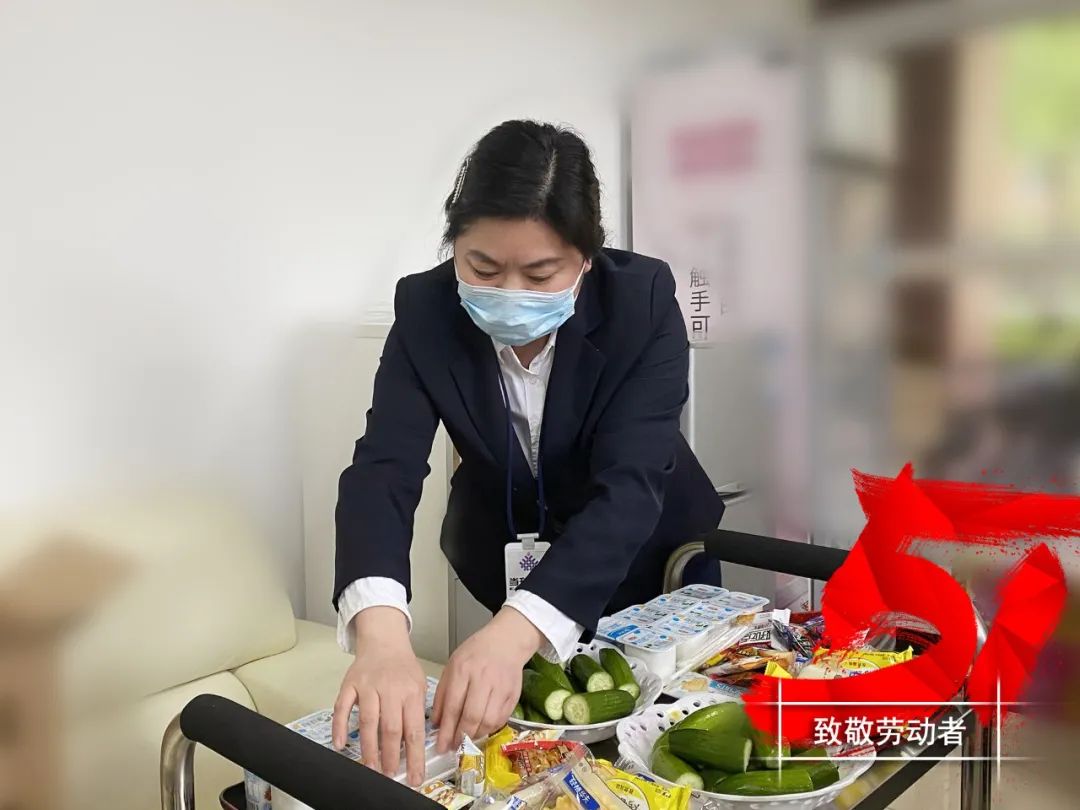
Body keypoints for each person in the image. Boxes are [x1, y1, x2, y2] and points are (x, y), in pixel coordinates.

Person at [331, 120, 724, 785]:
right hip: (512, 558)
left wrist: (516, 633)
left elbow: (632, 485)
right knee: (543, 761)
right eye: (482, 268)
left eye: (541, 273)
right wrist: (381, 634)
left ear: (587, 258)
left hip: (650, 560)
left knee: (665, 753)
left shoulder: (641, 301)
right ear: (454, 243)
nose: (510, 292)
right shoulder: (426, 310)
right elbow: (382, 470)